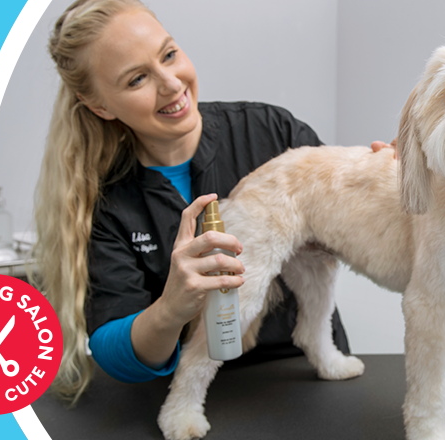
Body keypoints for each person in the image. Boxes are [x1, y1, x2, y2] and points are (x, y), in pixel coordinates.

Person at [35, 0, 394, 404]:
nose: (171, 84)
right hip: (167, 392)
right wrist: (171, 308)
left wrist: (388, 183)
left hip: (294, 381)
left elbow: (346, 226)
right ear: (99, 105)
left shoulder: (272, 131)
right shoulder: (106, 201)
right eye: (137, 79)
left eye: (169, 54)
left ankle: (318, 344)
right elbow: (113, 351)